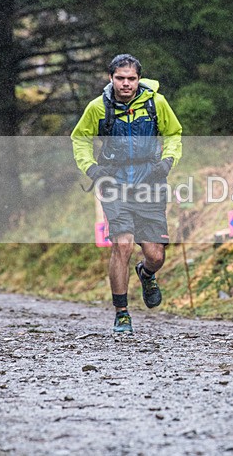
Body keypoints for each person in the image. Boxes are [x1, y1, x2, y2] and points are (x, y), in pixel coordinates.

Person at [71, 54, 182, 334]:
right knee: (122, 244)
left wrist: (168, 161)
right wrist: (92, 169)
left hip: (150, 183)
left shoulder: (156, 103)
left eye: (131, 78)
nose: (126, 84)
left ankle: (146, 274)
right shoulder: (98, 108)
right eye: (120, 78)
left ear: (138, 79)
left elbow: (174, 134)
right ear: (111, 79)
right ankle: (122, 313)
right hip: (114, 181)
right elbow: (80, 139)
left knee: (156, 255)